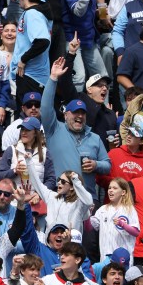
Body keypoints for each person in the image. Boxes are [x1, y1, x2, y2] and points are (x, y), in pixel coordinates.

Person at [42, 57, 111, 200]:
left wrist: (95, 164)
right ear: (66, 115)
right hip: (60, 197)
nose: (79, 116)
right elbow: (46, 106)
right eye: (75, 112)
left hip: (88, 200)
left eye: (82, 113)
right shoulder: (54, 130)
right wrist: (53, 78)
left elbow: (107, 165)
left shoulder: (94, 137)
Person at [57, 40, 117, 151]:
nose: (104, 88)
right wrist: (71, 54)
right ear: (89, 89)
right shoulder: (79, 99)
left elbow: (113, 145)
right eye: (99, 85)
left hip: (100, 161)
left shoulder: (110, 114)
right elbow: (65, 81)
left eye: (106, 87)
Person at [62, 0, 108, 84]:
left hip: (88, 36)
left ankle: (102, 106)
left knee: (102, 76)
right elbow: (78, 11)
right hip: (72, 37)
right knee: (79, 78)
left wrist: (103, 12)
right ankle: (74, 106)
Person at [11, 0, 53, 106]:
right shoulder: (36, 12)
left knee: (28, 120)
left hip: (31, 76)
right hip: (33, 76)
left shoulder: (33, 14)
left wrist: (23, 60)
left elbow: (43, 41)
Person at [0, 116, 55, 191]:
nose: (23, 133)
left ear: (35, 133)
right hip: (14, 200)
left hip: (35, 200)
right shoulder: (11, 150)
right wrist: (14, 171)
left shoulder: (45, 152)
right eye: (22, 129)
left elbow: (51, 180)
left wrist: (38, 195)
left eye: (27, 130)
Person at [97, 123, 143, 203]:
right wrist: (116, 184)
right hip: (112, 205)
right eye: (129, 133)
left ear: (142, 141)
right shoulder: (113, 153)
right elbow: (100, 176)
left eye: (134, 135)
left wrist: (130, 187)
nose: (128, 136)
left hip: (135, 206)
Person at [91, 177, 140, 257]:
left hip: (123, 258)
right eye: (109, 188)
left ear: (123, 192)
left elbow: (136, 232)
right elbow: (90, 227)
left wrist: (122, 224)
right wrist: (87, 214)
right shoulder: (103, 209)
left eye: (114, 188)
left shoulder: (129, 209)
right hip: (105, 257)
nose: (110, 190)